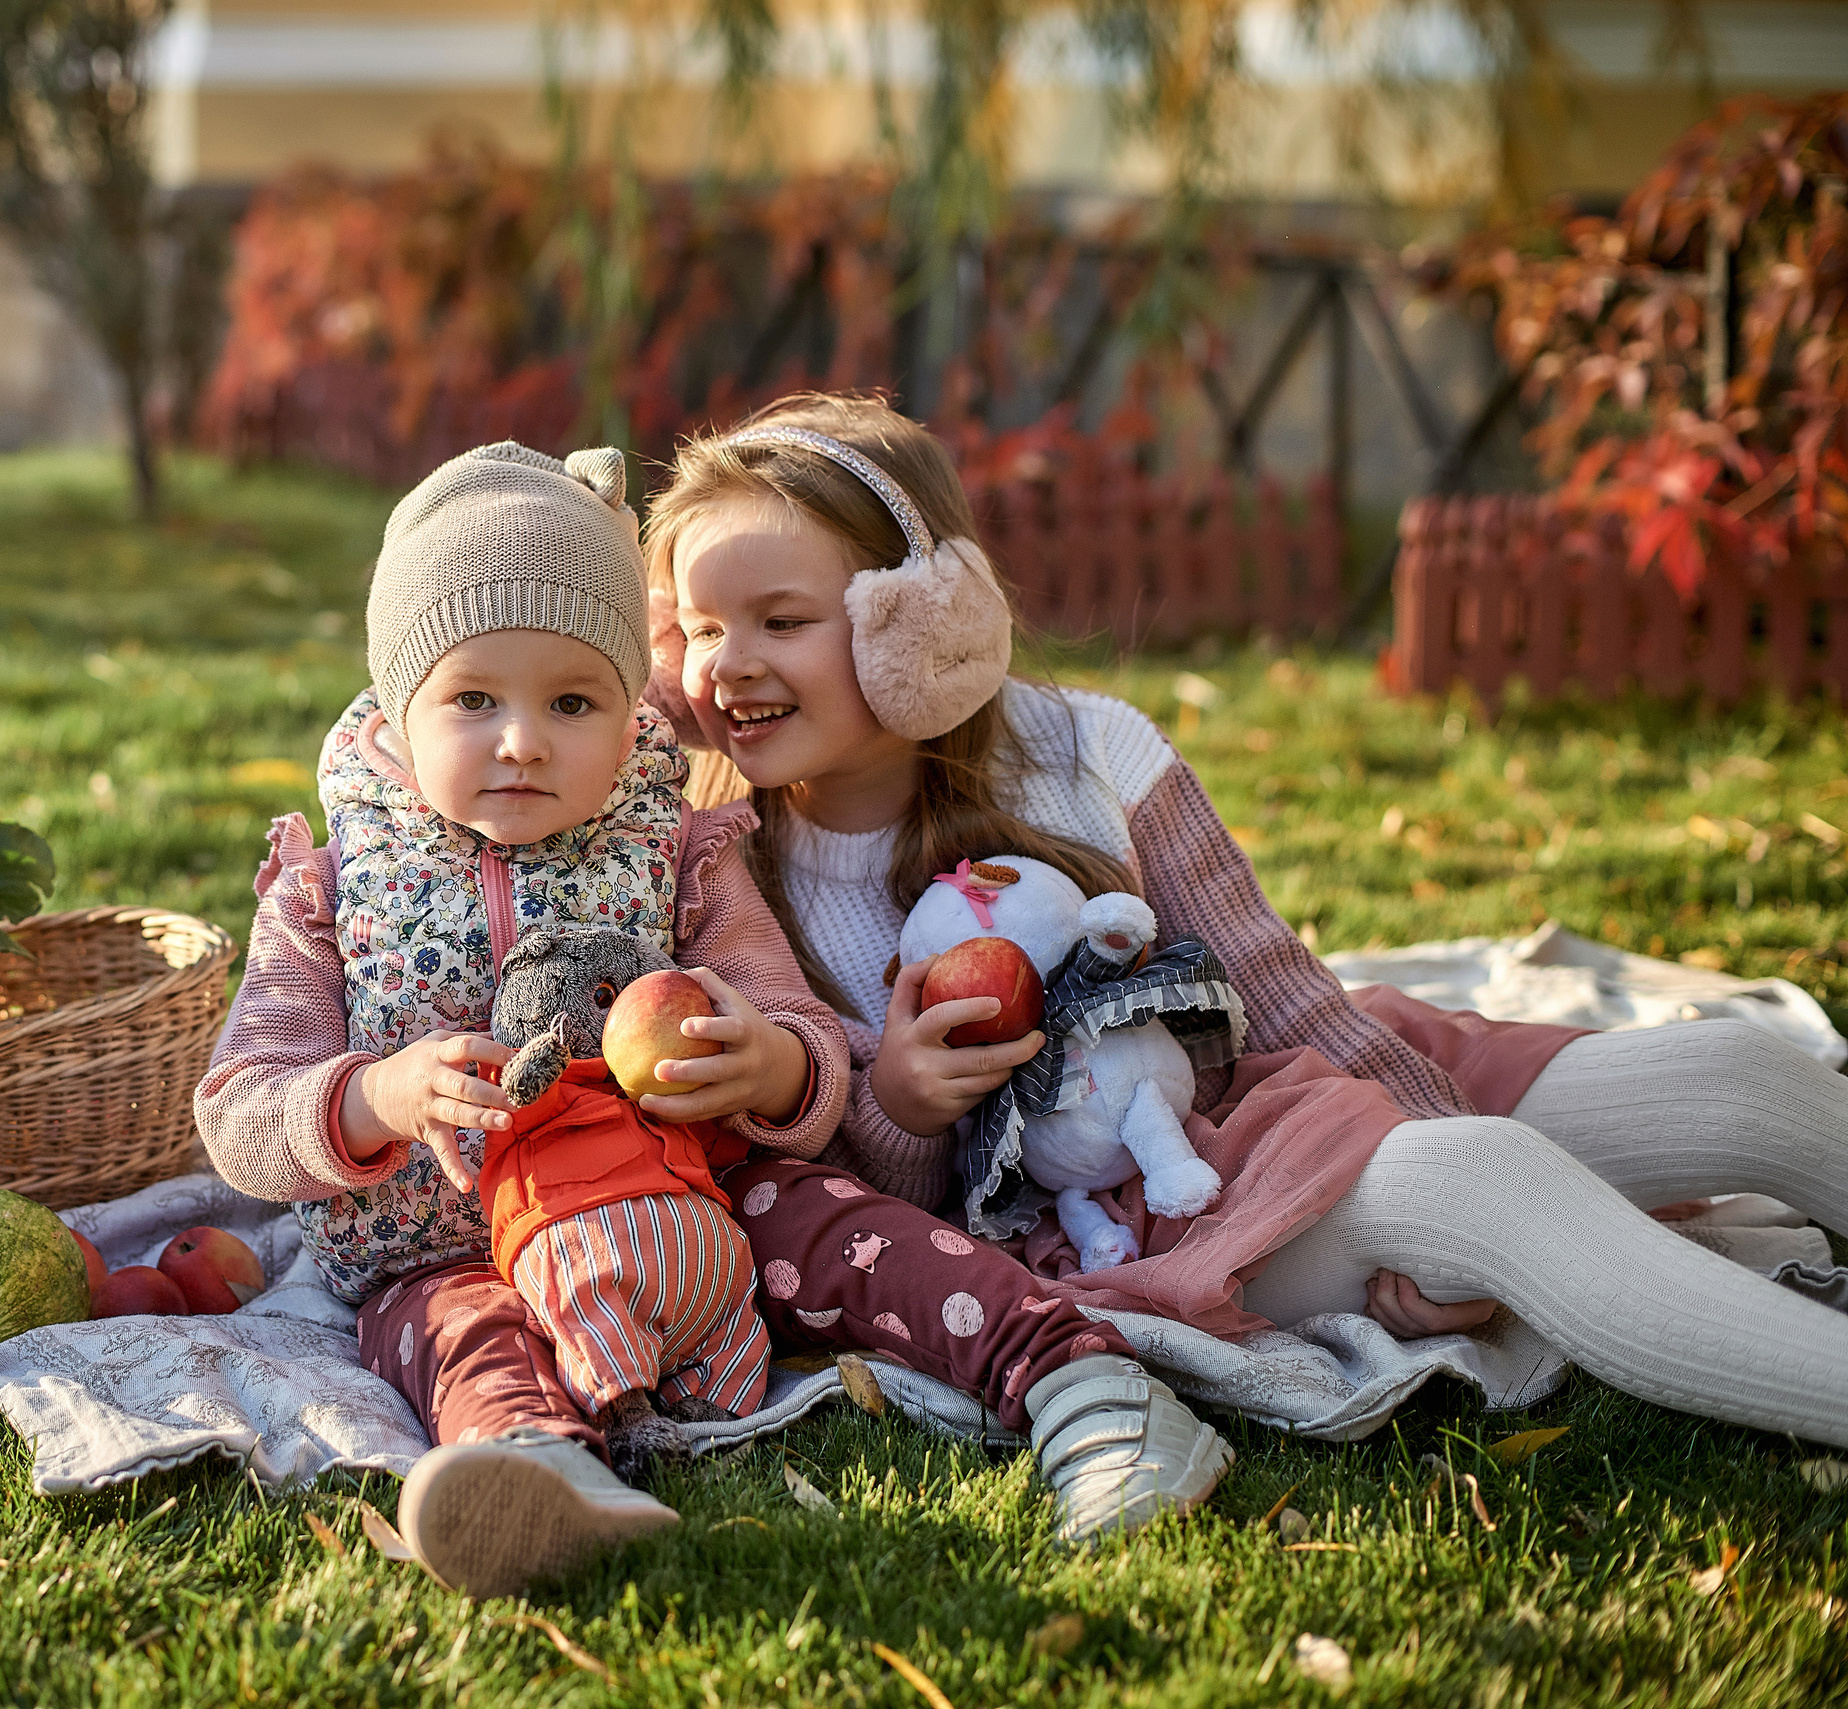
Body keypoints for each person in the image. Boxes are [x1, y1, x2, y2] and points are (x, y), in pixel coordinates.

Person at [643, 391, 1848, 1453]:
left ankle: (1487, 1188)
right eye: (699, 629)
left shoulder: (1088, 747)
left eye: (779, 620)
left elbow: (1281, 993)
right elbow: (855, 1207)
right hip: (1142, 1201)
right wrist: (902, 1105)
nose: (726, 666)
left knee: (1740, 1074)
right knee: (1486, 1186)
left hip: (1265, 1072)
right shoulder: (720, 864)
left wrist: (1416, 1111)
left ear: (921, 618)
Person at [196, 439, 1230, 1600]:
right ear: (398, 703)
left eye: (573, 698)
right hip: (446, 1239)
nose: (523, 738)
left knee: (865, 1237)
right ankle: (538, 1471)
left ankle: (1083, 1387)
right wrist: (373, 1096)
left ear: (634, 699)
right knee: (460, 1336)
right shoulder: (326, 891)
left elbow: (805, 1039)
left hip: (700, 1199)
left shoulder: (684, 855)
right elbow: (239, 1109)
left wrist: (767, 1063)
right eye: (472, 697)